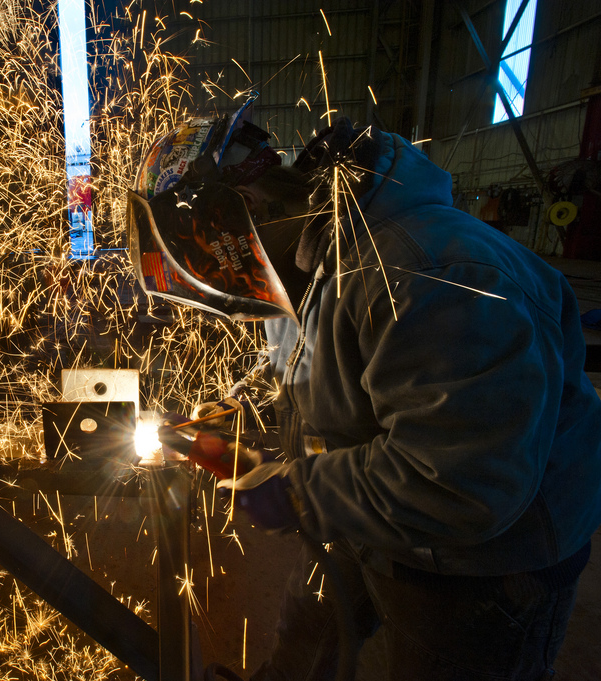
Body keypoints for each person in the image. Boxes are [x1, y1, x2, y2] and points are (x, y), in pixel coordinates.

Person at [127, 96, 601, 681]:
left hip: (481, 567)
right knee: (306, 635)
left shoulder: (421, 272)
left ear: (245, 210)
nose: (230, 296)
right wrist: (235, 415)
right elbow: (310, 370)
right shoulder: (314, 255)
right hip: (372, 516)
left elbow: (460, 483)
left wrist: (298, 495)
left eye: (215, 271)